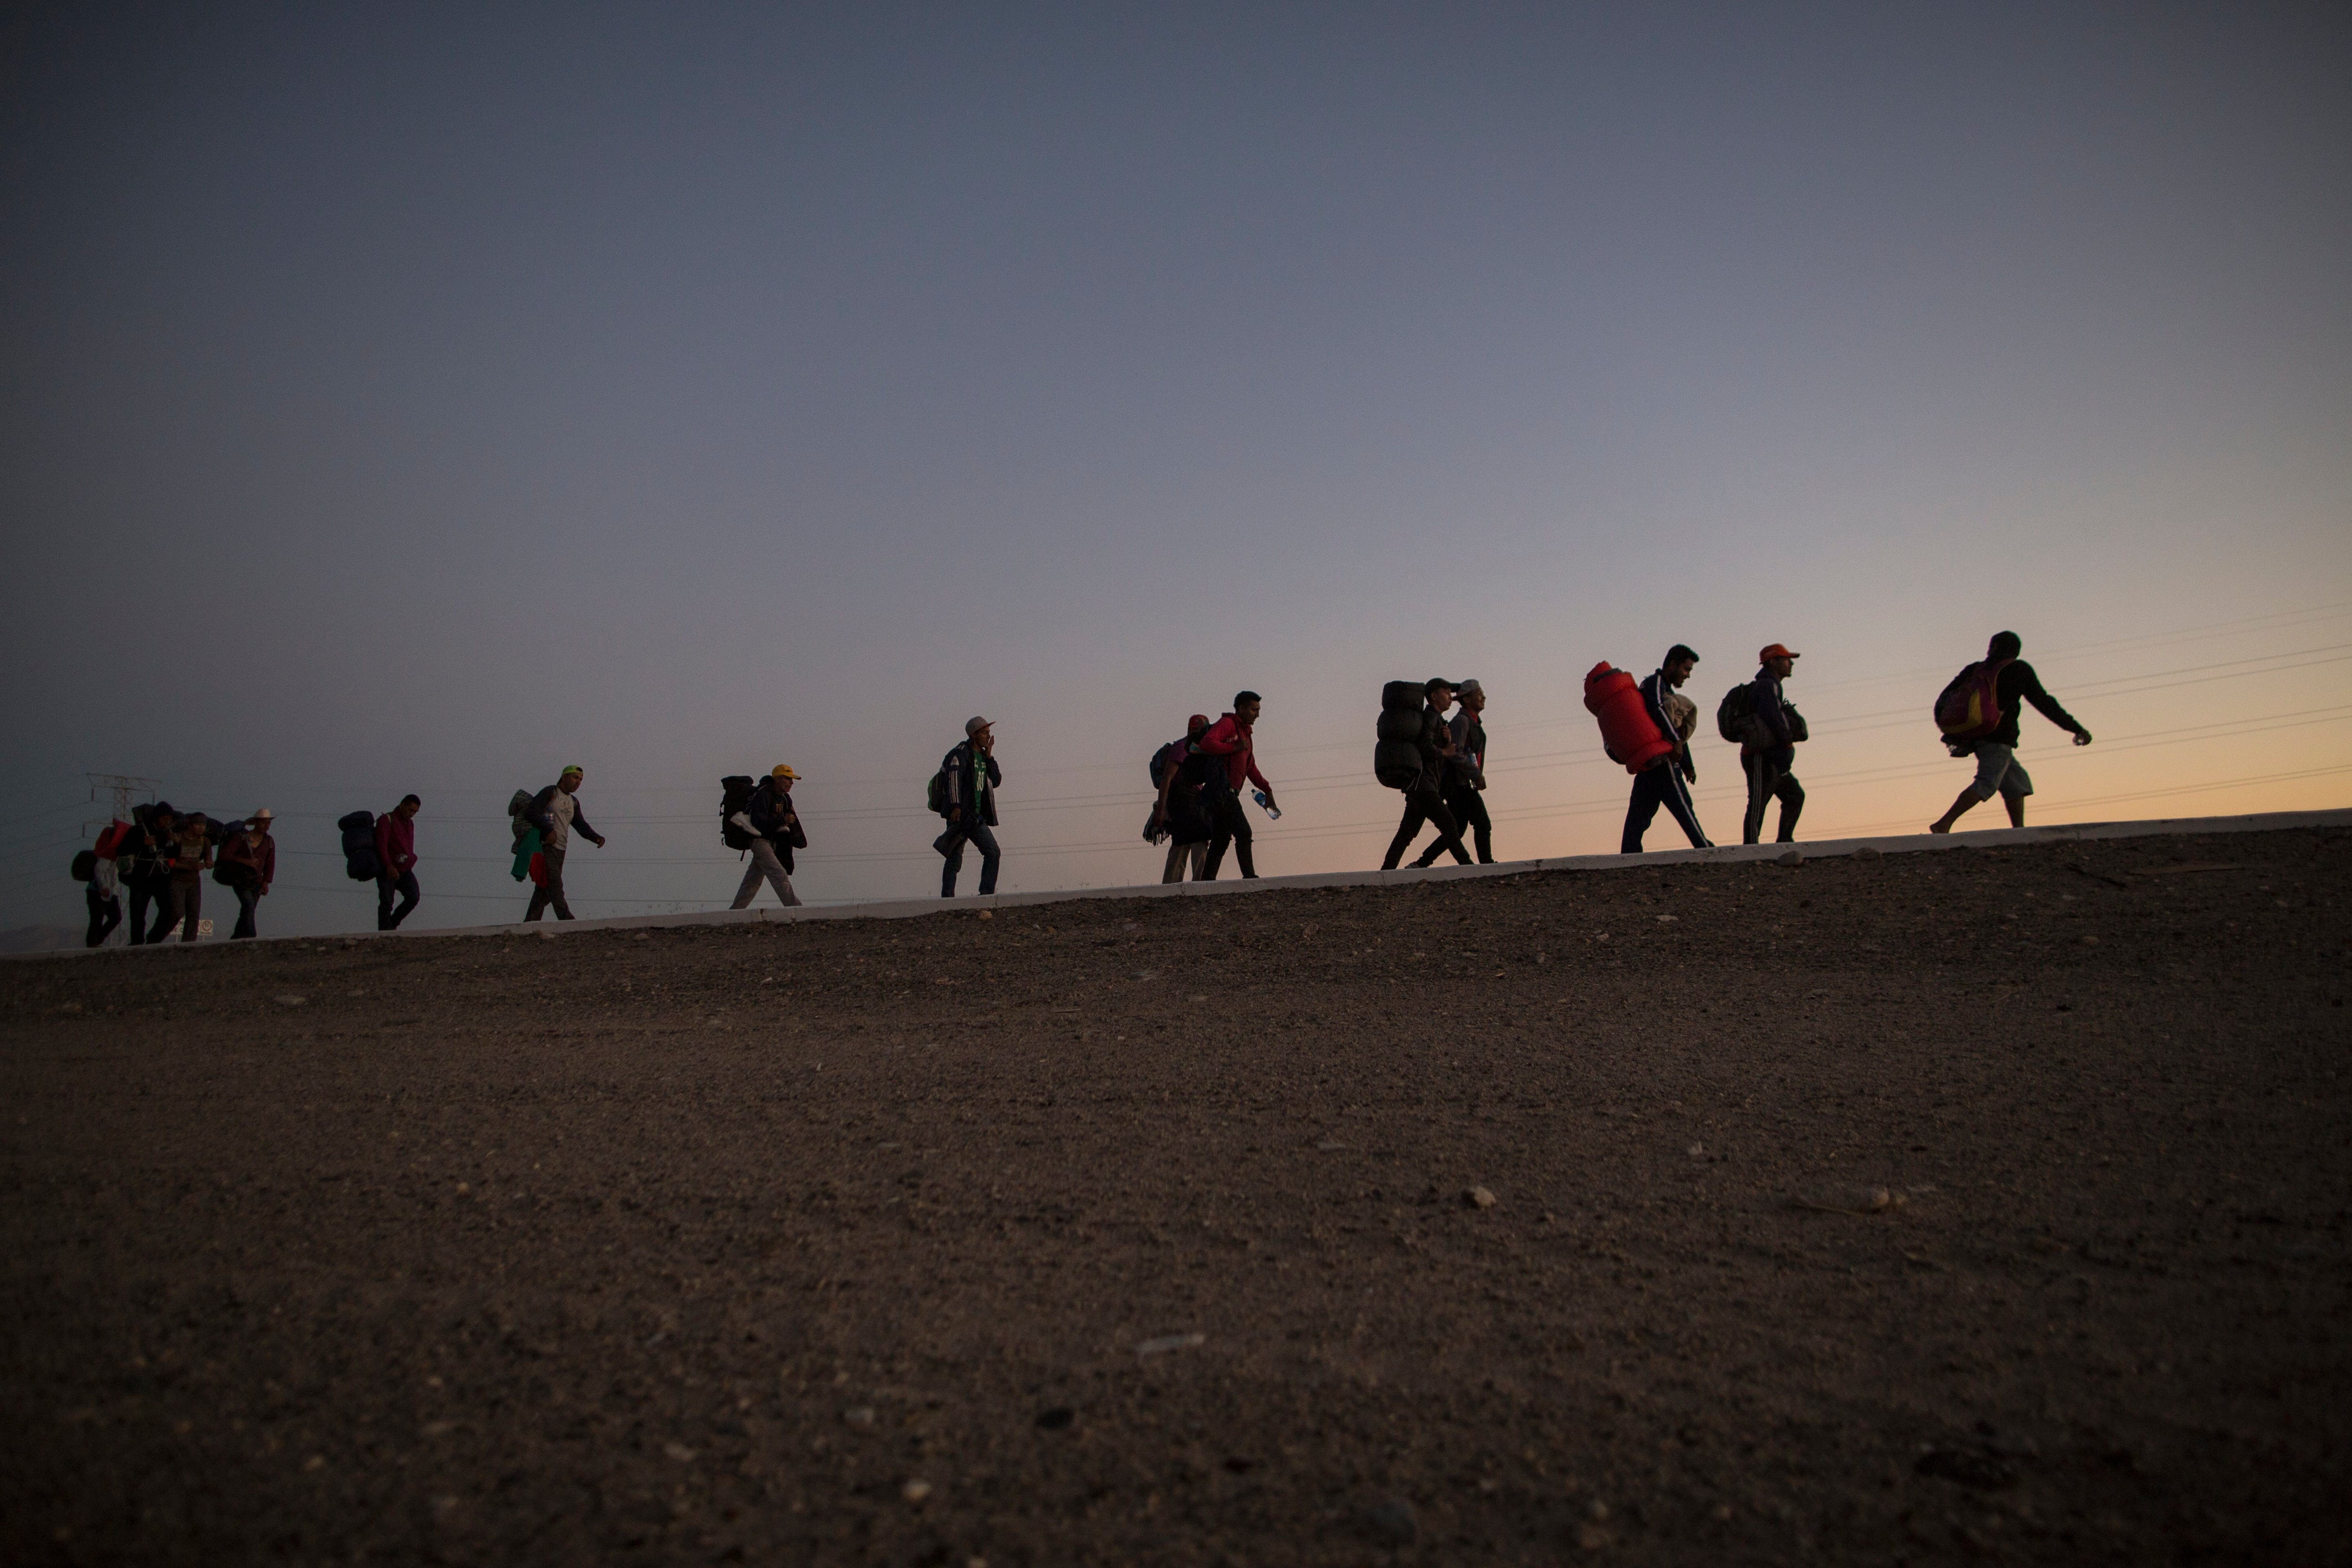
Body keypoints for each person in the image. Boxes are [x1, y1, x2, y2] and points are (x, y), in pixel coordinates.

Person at [1930, 631, 2093, 833]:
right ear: (2016, 651)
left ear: (1993, 648)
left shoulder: (1975, 670)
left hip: (1977, 737)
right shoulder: (2019, 669)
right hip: (1998, 738)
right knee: (1986, 783)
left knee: (2016, 783)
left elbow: (1943, 700)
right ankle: (1944, 824)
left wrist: (1952, 732)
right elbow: (2044, 703)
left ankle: (2019, 833)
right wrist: (2075, 728)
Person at [1623, 645, 1712, 853]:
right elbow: (1659, 710)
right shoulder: (1655, 684)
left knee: (1638, 817)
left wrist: (1688, 765)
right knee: (1684, 808)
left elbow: (1676, 729)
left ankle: (1628, 858)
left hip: (1650, 764)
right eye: (1686, 669)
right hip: (1663, 762)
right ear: (1673, 665)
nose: (1688, 675)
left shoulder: (1664, 689)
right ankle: (1706, 850)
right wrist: (1675, 741)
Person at [1382, 678, 1472, 870]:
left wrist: (1447, 742)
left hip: (1420, 786)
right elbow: (1425, 746)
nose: (1450, 697)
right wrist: (1445, 751)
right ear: (1433, 696)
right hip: (1424, 786)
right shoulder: (1431, 717)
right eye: (1446, 692)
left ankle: (1386, 872)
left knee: (1406, 834)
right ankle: (1469, 867)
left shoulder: (1437, 720)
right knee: (1450, 825)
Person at [1194, 692, 1279, 880]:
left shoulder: (1245, 734)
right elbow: (1207, 743)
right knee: (1244, 832)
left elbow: (1250, 768)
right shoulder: (1228, 724)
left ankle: (1206, 882)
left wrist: (1268, 790)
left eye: (1258, 710)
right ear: (1241, 709)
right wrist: (1233, 748)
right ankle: (1249, 878)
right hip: (1221, 791)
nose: (1257, 715)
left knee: (1221, 839)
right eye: (1254, 710)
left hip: (1227, 794)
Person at [1740, 643, 1806, 846]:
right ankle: (1750, 849)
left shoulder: (1772, 686)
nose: (1791, 664)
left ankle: (1784, 841)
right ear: (1773, 662)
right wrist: (1787, 741)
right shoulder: (1767, 686)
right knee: (1758, 802)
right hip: (1761, 756)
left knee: (1794, 796)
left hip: (1774, 758)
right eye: (1787, 659)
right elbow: (1772, 716)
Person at [525, 768, 604, 921]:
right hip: (546, 847)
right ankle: (567, 919)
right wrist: (548, 830)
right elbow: (532, 813)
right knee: (555, 885)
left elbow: (580, 824)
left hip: (561, 849)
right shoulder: (551, 793)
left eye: (580, 779)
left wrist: (596, 838)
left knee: (544, 888)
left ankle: (530, 922)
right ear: (564, 777)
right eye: (575, 778)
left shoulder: (573, 802)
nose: (578, 782)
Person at [935, 719, 1002, 897]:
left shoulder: (984, 757)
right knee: (954, 858)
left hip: (976, 818)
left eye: (988, 733)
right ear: (974, 735)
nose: (988, 737)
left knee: (993, 852)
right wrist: (956, 807)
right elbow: (954, 779)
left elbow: (996, 781)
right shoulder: (961, 753)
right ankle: (948, 900)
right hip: (960, 816)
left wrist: (989, 757)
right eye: (984, 733)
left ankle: (986, 895)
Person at [1149, 715, 1214, 883]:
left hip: (1193, 800)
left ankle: (1191, 885)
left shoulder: (1198, 748)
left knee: (1189, 841)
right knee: (1190, 841)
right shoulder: (1181, 748)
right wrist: (1161, 810)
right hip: (1182, 801)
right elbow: (1167, 779)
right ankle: (1191, 886)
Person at [730, 765, 805, 908]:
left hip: (772, 842)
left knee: (752, 881)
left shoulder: (785, 798)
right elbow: (759, 823)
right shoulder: (763, 795)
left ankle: (735, 912)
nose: (791, 783)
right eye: (788, 779)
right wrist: (782, 820)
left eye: (792, 779)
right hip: (759, 842)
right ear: (777, 779)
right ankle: (795, 908)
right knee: (779, 874)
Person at [1445, 679, 1494, 864]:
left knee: (1456, 830)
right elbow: (1455, 753)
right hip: (1459, 784)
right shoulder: (1462, 722)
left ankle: (1421, 863)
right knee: (1483, 824)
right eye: (1479, 694)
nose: (1484, 697)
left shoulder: (1472, 722)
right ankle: (1487, 865)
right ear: (1466, 700)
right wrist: (1476, 775)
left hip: (1464, 783)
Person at [119, 802, 177, 945]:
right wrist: (142, 843)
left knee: (170, 910)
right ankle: (137, 943)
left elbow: (174, 854)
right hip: (140, 877)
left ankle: (154, 939)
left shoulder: (169, 833)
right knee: (138, 914)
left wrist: (176, 842)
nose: (167, 822)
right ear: (157, 817)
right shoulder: (139, 830)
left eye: (169, 819)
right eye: (164, 818)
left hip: (161, 877)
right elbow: (122, 850)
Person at [220, 808, 277, 939]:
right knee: (249, 906)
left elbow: (270, 863)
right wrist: (246, 862)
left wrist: (266, 882)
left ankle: (237, 938)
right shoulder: (241, 838)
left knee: (248, 910)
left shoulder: (269, 841)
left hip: (257, 881)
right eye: (264, 823)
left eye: (268, 823)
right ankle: (251, 935)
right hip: (240, 879)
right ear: (256, 823)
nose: (266, 826)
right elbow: (225, 855)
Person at [370, 796, 422, 930]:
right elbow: (382, 846)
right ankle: (384, 932)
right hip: (387, 869)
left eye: (415, 812)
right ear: (403, 805)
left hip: (405, 870)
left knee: (413, 896)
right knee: (387, 901)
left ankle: (392, 925)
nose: (412, 814)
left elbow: (408, 846)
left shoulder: (410, 824)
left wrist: (411, 860)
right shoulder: (387, 820)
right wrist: (388, 866)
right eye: (411, 810)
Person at [163, 811, 213, 942]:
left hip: (194, 881)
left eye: (204, 825)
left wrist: (209, 863)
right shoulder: (178, 838)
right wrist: (190, 867)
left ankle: (189, 943)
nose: (201, 827)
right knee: (178, 912)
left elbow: (209, 858)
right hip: (177, 880)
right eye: (198, 824)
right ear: (190, 825)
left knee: (194, 913)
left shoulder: (204, 841)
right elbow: (169, 862)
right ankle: (159, 936)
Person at [84, 874, 121, 948]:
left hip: (111, 892)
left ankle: (97, 941)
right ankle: (92, 943)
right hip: (98, 891)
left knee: (116, 917)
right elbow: (99, 871)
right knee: (97, 920)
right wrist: (104, 887)